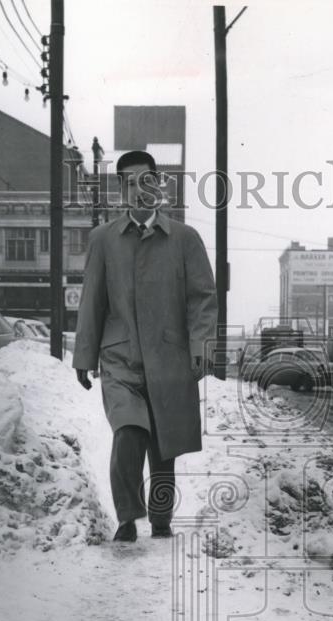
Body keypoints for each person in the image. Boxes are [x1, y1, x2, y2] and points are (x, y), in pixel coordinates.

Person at [73, 150, 218, 542]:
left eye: (147, 181)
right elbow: (92, 301)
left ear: (159, 187)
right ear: (120, 190)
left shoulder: (185, 239)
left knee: (163, 442)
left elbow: (202, 298)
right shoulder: (103, 239)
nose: (139, 190)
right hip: (120, 356)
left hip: (169, 357)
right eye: (130, 182)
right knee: (129, 432)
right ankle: (126, 517)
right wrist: (84, 355)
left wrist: (200, 346)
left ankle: (161, 518)